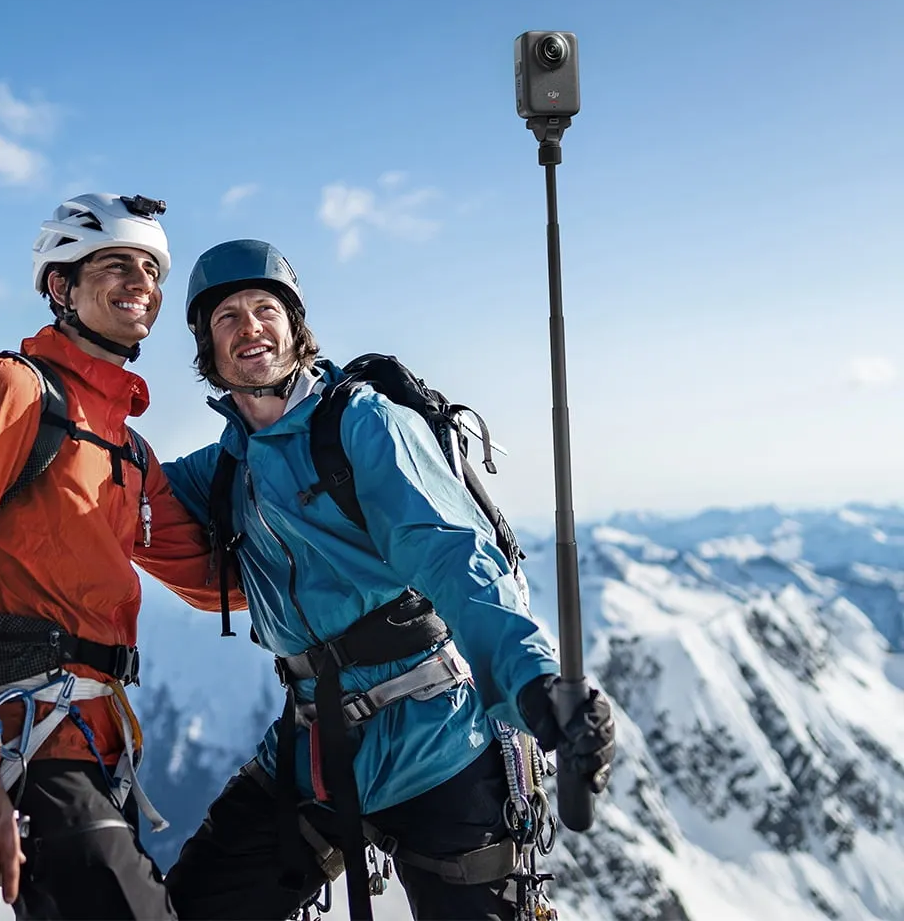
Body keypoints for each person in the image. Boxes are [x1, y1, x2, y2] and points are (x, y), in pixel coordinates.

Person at [161, 240, 616, 921]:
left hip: (440, 743)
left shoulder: (363, 426)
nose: (250, 327)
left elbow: (456, 558)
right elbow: (111, 493)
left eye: (265, 309)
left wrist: (533, 679)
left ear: (295, 326)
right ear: (207, 345)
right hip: (317, 748)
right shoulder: (224, 468)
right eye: (227, 317)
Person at [0, 194, 237, 920]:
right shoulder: (4, 391)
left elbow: (215, 582)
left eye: (151, 271)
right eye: (114, 266)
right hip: (25, 744)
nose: (141, 284)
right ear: (60, 286)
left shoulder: (126, 445)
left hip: (98, 751)